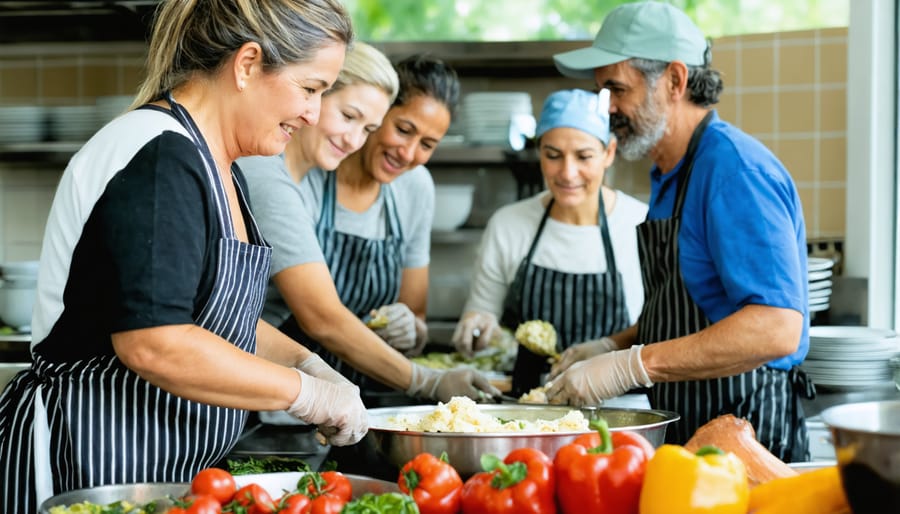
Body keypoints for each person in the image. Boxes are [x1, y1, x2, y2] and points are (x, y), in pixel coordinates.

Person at [0, 1, 367, 511]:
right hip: (88, 464)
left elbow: (213, 314)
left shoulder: (218, 163)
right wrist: (305, 393)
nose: (312, 114)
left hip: (159, 470)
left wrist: (308, 364)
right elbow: (155, 343)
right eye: (310, 89)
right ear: (247, 64)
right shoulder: (159, 157)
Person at [545, 1, 813, 462]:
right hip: (691, 432)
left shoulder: (732, 169)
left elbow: (777, 328)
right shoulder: (670, 171)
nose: (605, 109)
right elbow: (696, 309)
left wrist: (632, 366)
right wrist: (614, 344)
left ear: (674, 80)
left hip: (747, 435)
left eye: (616, 89)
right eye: (600, 92)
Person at [243, 54, 500, 406]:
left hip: (359, 390)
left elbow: (415, 314)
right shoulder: (292, 174)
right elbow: (321, 317)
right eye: (403, 129)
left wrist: (410, 328)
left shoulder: (414, 188)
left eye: (427, 144)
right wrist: (427, 381)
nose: (408, 153)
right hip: (280, 388)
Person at [452, 88, 648, 397]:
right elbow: (482, 312)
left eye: (583, 156)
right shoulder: (508, 224)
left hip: (622, 408)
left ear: (609, 152)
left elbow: (658, 329)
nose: (567, 173)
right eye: (553, 155)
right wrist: (477, 327)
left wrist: (609, 346)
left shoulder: (641, 224)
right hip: (529, 406)